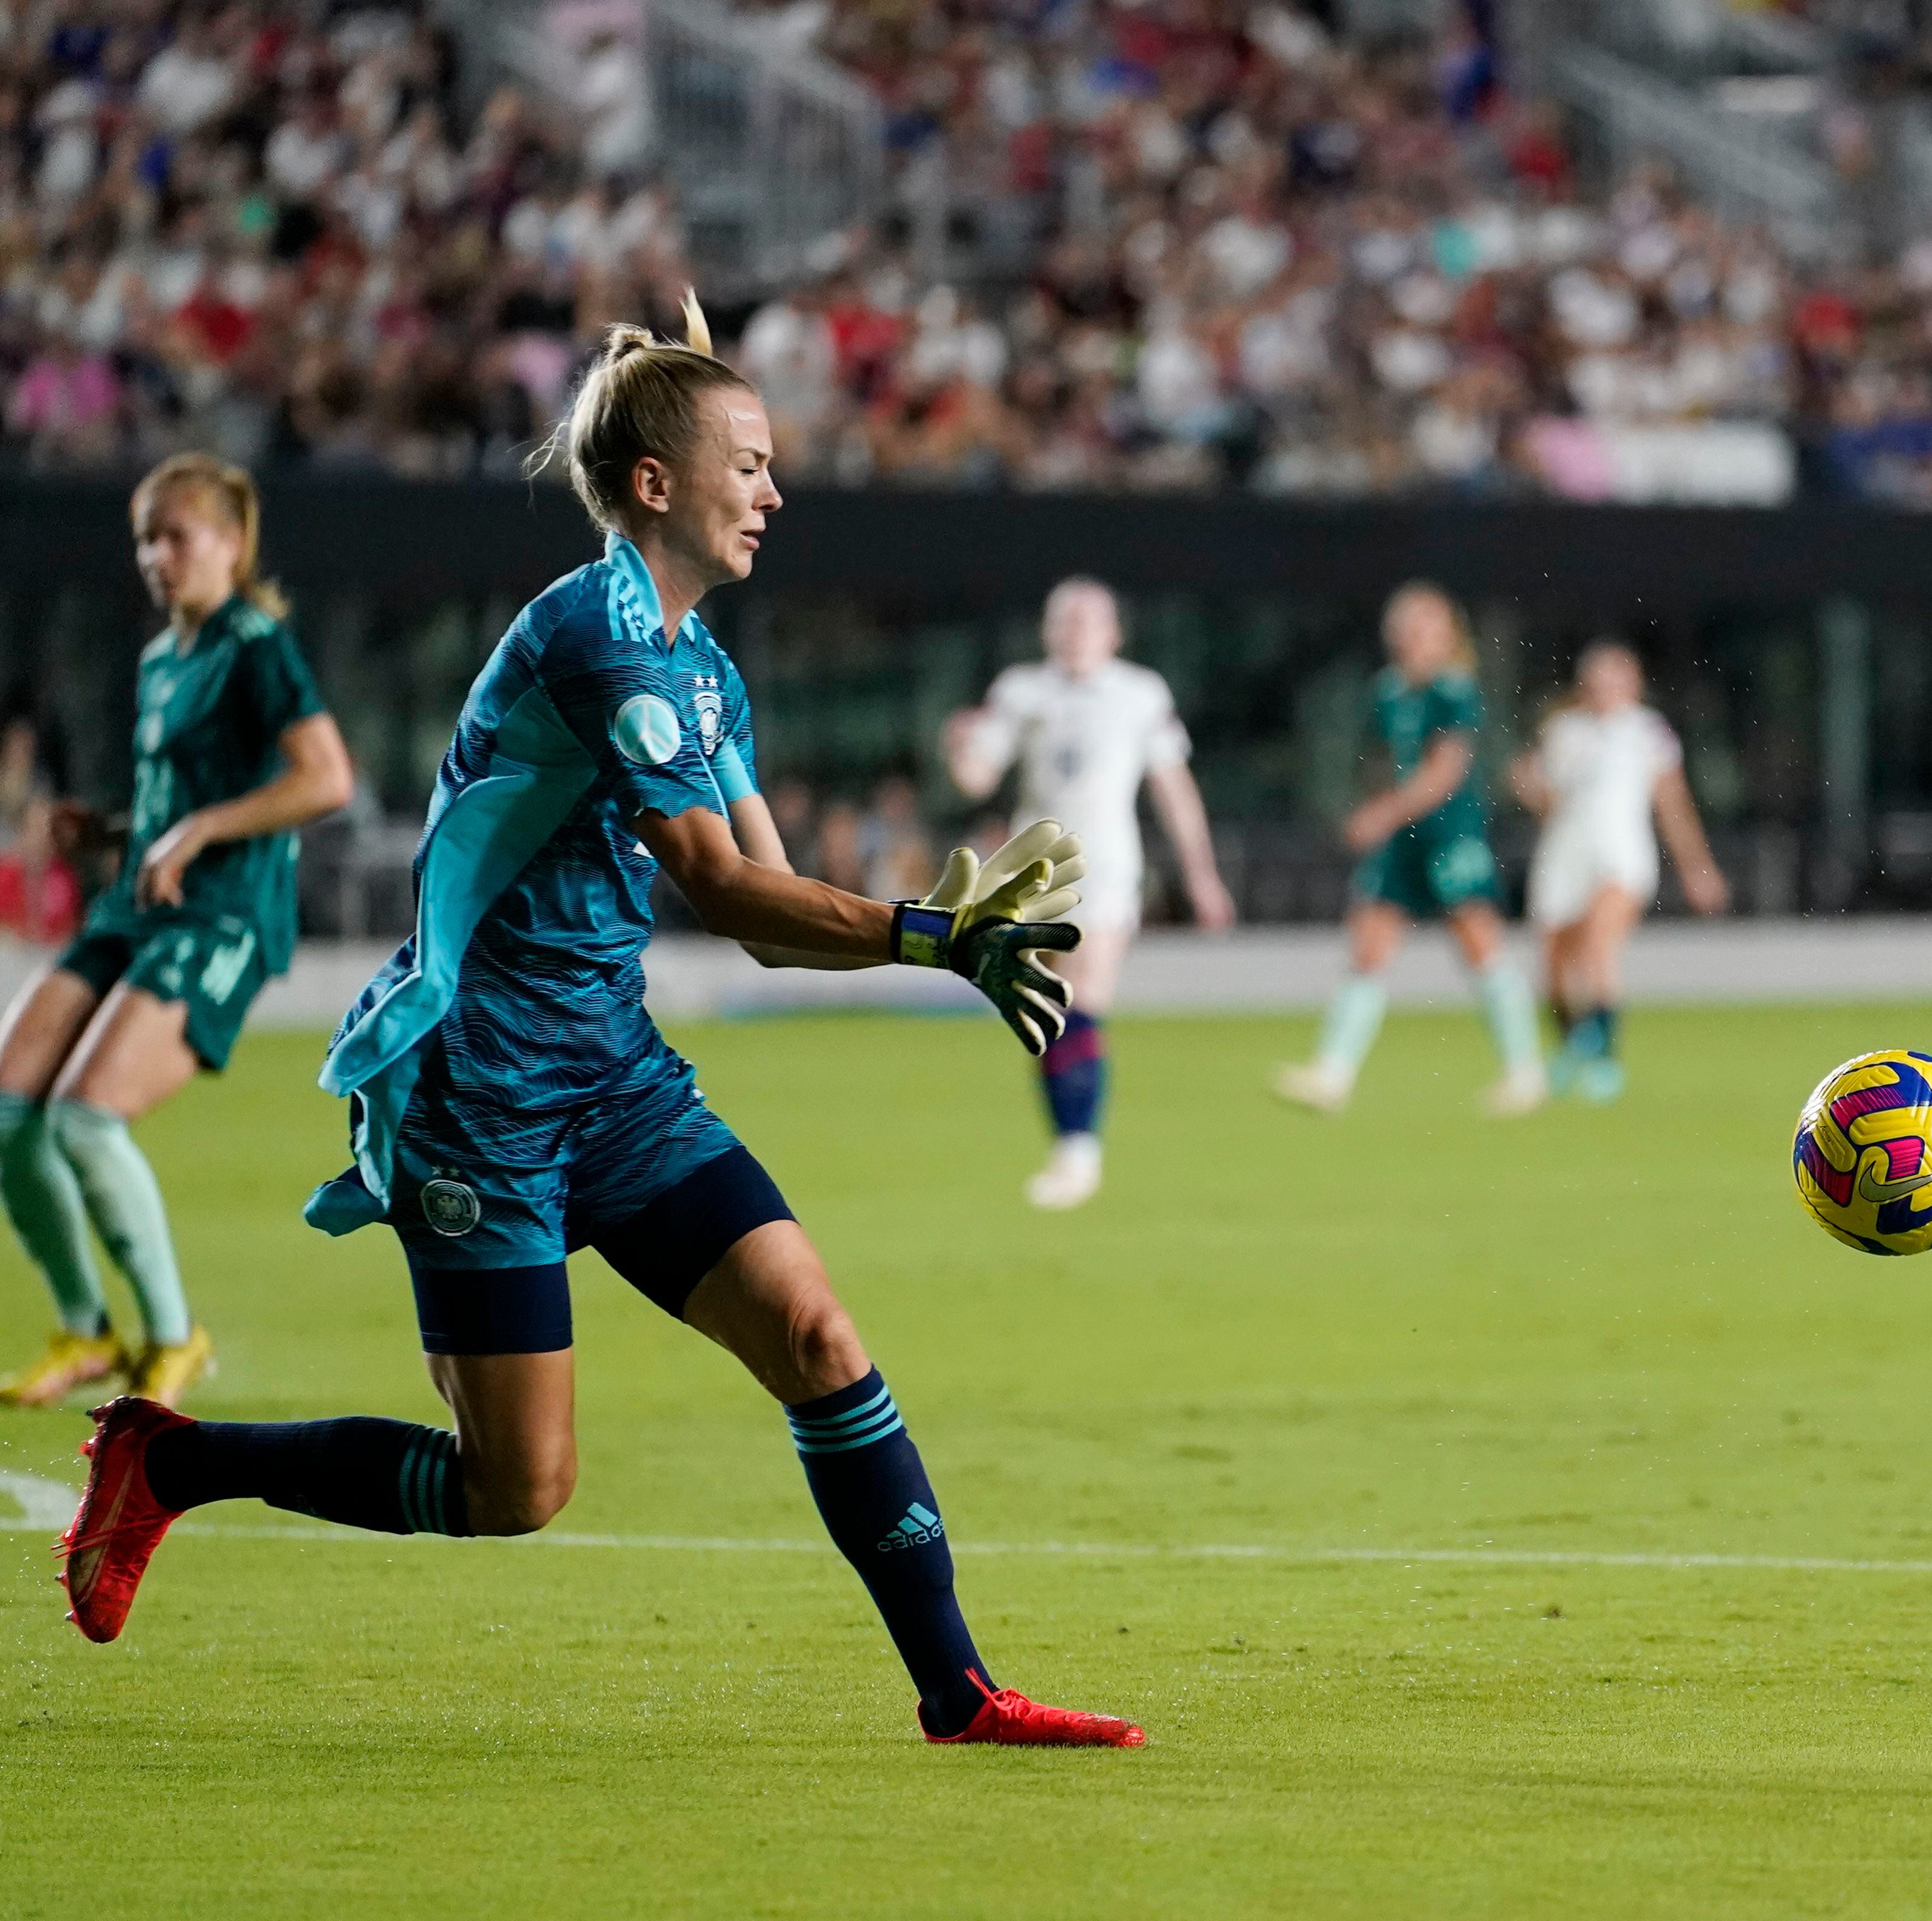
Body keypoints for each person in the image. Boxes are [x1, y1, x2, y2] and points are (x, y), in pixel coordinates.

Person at [54, 300, 1145, 1751]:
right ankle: (170, 1460)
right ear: (653, 483)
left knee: (818, 1333)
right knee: (517, 1487)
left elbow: (758, 915)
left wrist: (917, 934)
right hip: (477, 1089)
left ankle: (958, 1690)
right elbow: (711, 876)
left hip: (615, 1078)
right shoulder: (592, 632)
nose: (774, 491)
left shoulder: (706, 669)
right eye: (746, 463)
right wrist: (925, 932)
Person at [0, 455, 354, 1411]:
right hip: (137, 904)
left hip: (222, 914)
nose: (157, 556)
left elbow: (325, 777)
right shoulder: (165, 658)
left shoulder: (255, 643)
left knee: (83, 1116)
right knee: (8, 1110)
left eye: (178, 535)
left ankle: (172, 1337)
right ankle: (85, 1326)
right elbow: (182, 797)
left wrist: (199, 830)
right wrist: (114, 828)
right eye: (146, 538)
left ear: (232, 545)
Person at [944, 577, 1236, 1210]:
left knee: (1081, 997)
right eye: (1065, 621)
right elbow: (976, 778)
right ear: (1049, 631)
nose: (1076, 631)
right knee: (1046, 1014)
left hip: (1106, 868)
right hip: (1030, 874)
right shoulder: (1021, 691)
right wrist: (957, 748)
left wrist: (1200, 873)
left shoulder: (1139, 692)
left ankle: (1079, 1151)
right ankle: (1069, 1145)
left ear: (1113, 632)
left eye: (1089, 621)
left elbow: (1173, 789)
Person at [1276, 582, 1545, 1116]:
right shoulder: (1388, 690)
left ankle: (1524, 1070)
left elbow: (1445, 771)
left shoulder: (1455, 689)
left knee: (1479, 943)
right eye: (1403, 625)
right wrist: (1370, 806)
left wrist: (1382, 813)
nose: (1411, 636)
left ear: (1447, 634)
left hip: (1449, 834)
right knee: (1369, 945)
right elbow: (1383, 763)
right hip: (1402, 840)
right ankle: (1332, 1074)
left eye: (1424, 625)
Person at [1508, 640, 1727, 1102]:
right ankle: (1574, 1045)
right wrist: (1527, 786)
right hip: (1566, 856)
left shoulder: (1647, 733)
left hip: (1621, 856)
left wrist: (1697, 868)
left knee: (1597, 948)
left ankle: (1603, 1058)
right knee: (1553, 970)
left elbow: (1672, 805)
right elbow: (1551, 803)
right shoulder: (1564, 731)